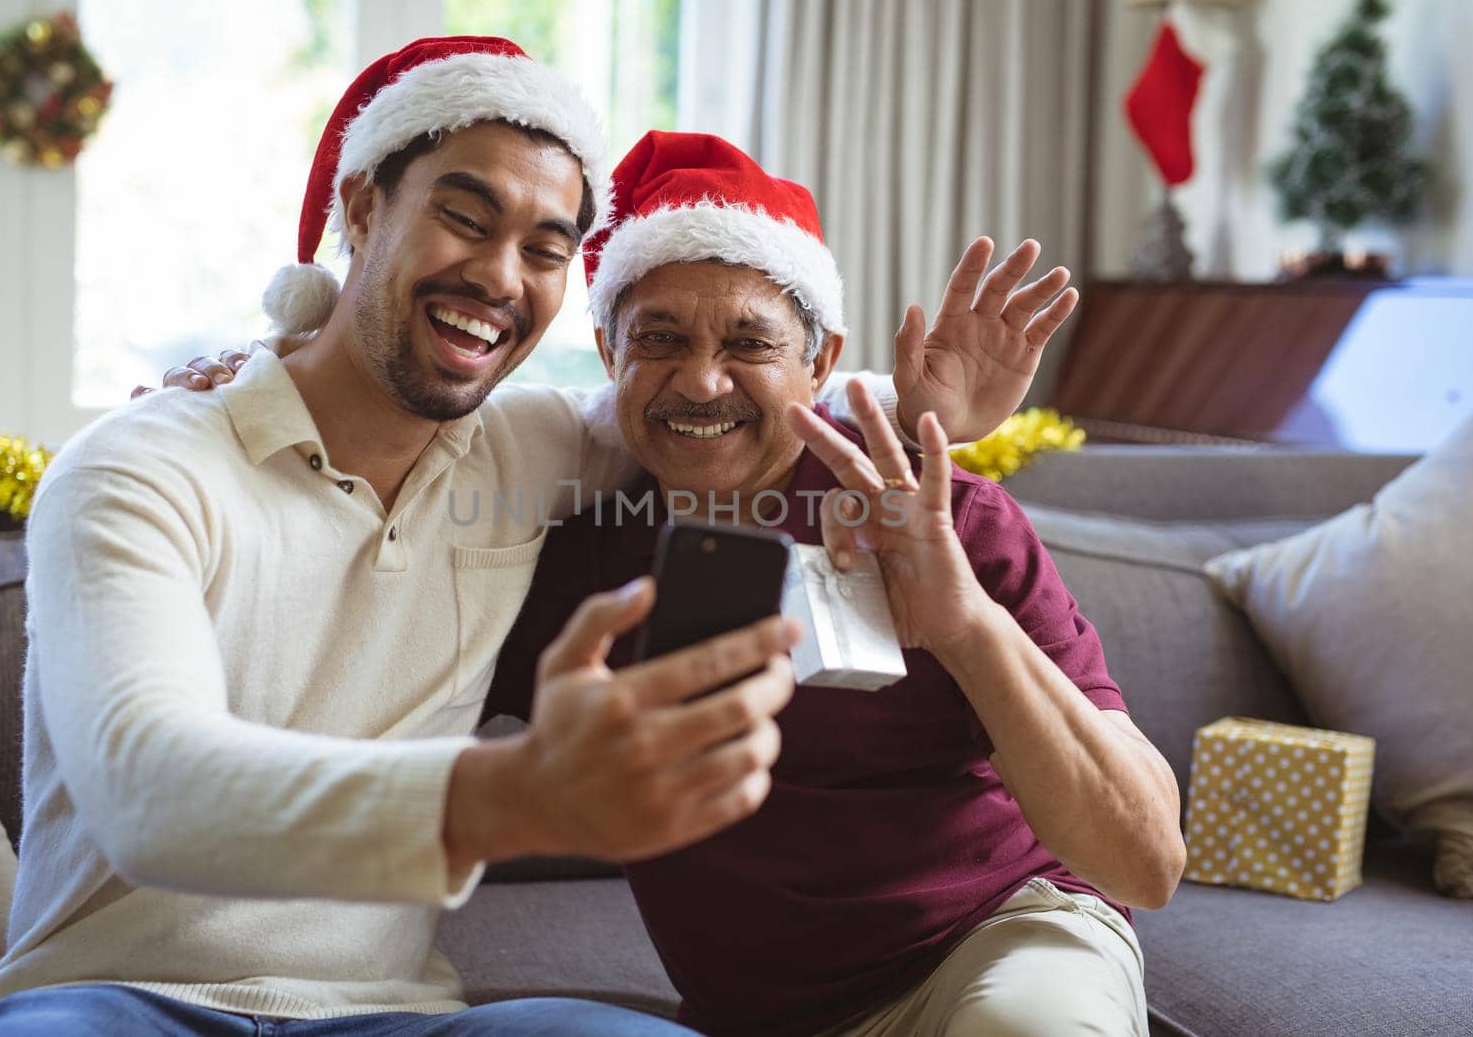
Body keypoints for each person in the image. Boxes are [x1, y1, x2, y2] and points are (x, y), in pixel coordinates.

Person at [0, 40, 1057, 1036]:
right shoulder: (139, 466)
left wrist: (928, 419)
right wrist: (513, 794)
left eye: (544, 247)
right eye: (465, 217)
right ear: (362, 208)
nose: (498, 276)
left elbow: (716, 402)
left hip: (391, 1015)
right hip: (104, 1001)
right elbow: (150, 794)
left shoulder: (528, 449)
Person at [475, 132, 1186, 1036]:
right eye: (659, 337)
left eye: (749, 342)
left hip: (998, 941)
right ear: (609, 354)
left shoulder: (945, 520)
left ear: (820, 362)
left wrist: (965, 622)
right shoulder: (577, 554)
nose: (700, 380)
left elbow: (1145, 863)